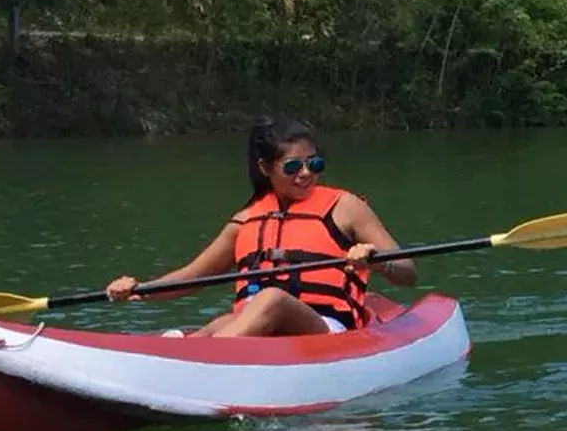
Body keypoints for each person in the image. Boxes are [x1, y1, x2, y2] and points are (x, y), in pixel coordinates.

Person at [105, 116, 417, 337]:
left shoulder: (345, 206)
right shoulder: (246, 220)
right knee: (217, 325)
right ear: (265, 168)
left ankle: (206, 362)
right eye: (294, 166)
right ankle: (183, 356)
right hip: (258, 328)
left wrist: (377, 261)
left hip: (327, 329)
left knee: (271, 299)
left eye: (315, 164)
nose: (307, 173)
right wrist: (138, 290)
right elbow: (190, 277)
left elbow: (408, 272)